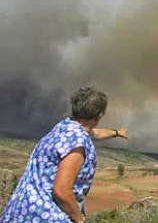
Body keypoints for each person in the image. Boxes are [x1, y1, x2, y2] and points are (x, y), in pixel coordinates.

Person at [0, 87, 129, 223]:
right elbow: (61, 190)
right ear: (99, 115)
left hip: (21, 211)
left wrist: (116, 132)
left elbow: (94, 133)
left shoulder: (65, 127)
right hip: (47, 215)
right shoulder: (78, 144)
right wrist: (79, 219)